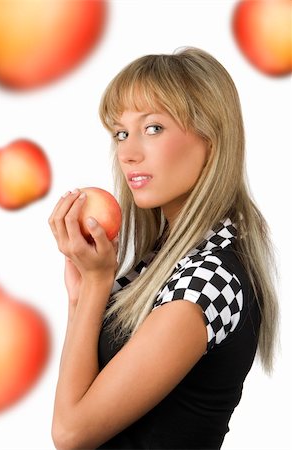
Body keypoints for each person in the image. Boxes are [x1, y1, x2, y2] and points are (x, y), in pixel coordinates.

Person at [48, 47, 279, 450]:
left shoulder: (209, 278)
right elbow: (84, 389)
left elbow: (71, 434)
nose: (127, 152)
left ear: (212, 139)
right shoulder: (164, 258)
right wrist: (82, 295)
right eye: (121, 133)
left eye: (153, 128)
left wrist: (100, 284)